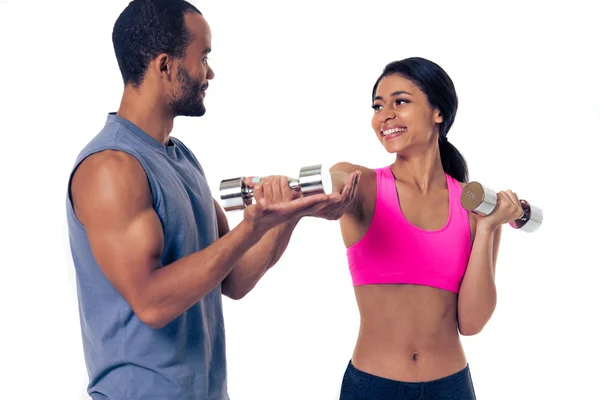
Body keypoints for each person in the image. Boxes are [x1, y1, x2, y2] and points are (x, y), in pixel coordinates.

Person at [65, 1, 359, 399]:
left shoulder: (181, 157)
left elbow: (233, 280)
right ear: (165, 65)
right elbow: (151, 303)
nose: (211, 73)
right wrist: (251, 226)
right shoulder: (110, 169)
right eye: (203, 58)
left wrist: (288, 215)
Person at [327, 57, 525, 399]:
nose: (384, 115)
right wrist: (295, 189)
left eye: (400, 101)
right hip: (372, 387)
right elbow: (329, 183)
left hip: (451, 387)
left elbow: (472, 323)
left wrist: (490, 228)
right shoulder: (363, 184)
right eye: (378, 106)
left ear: (438, 112)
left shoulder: (474, 208)